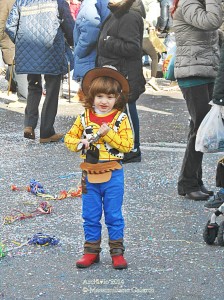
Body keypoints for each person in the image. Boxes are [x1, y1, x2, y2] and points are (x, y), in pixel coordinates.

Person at [64, 66, 133, 269]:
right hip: (89, 174)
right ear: (92, 97)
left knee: (113, 214)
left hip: (113, 173)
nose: (104, 101)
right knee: (90, 214)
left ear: (117, 98)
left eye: (110, 97)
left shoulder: (121, 119)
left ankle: (117, 253)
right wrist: (80, 143)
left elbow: (128, 145)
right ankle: (91, 252)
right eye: (100, 96)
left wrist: (108, 134)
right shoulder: (84, 118)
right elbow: (68, 138)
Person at [172, 0, 223, 200]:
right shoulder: (188, 2)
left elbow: (212, 31)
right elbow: (211, 21)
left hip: (206, 70)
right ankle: (187, 182)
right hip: (192, 73)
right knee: (200, 126)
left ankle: (194, 180)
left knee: (198, 126)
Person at [5, 0, 74, 143]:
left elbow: (10, 26)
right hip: (52, 51)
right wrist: (72, 43)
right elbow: (69, 27)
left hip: (30, 51)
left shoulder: (21, 2)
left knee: (33, 86)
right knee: (52, 90)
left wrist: (22, 43)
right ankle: (46, 132)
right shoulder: (58, 2)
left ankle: (29, 125)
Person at [97, 0, 146, 164]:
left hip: (125, 74)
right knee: (121, 112)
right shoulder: (117, 14)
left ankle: (133, 149)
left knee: (128, 110)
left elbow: (133, 47)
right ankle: (125, 147)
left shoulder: (130, 15)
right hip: (116, 72)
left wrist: (108, 41)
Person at [73, 0, 109, 82]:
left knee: (90, 92)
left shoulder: (89, 4)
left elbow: (91, 31)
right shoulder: (97, 3)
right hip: (96, 59)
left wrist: (78, 52)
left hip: (89, 61)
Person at [0, 0, 28, 107]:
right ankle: (14, 88)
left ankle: (23, 97)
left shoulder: (4, 2)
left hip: (9, 35)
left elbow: (1, 22)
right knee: (14, 62)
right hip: (20, 33)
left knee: (13, 63)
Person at [142, 0, 164, 91]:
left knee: (137, 59)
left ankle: (140, 79)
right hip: (144, 37)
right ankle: (153, 79)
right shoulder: (144, 10)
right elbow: (150, 22)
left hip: (134, 38)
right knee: (155, 57)